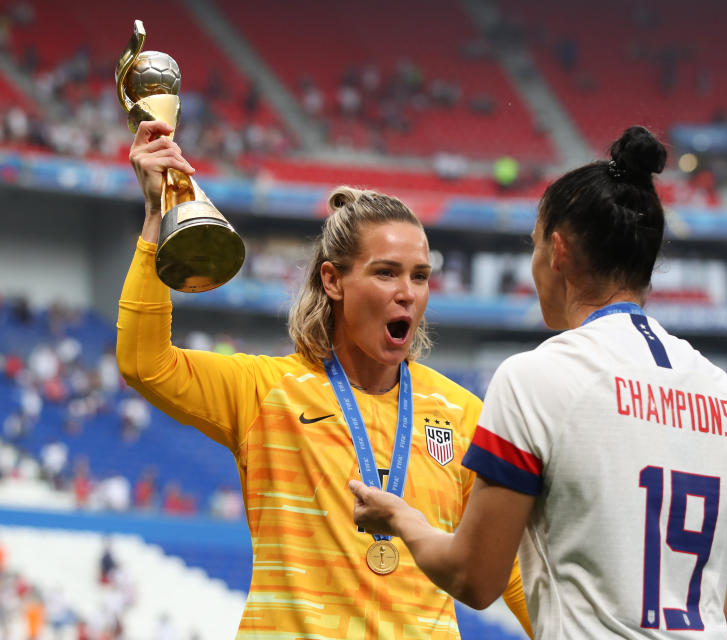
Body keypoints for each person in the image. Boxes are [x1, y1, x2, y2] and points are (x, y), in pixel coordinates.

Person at [350, 126, 727, 639]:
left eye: (533, 246)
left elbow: (474, 576)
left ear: (558, 251)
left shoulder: (536, 378)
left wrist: (401, 519)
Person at [118, 119, 531, 639]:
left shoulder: (462, 412)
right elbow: (145, 363)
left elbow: (511, 572)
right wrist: (157, 215)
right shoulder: (265, 392)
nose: (408, 292)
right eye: (386, 273)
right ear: (333, 280)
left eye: (420, 276)